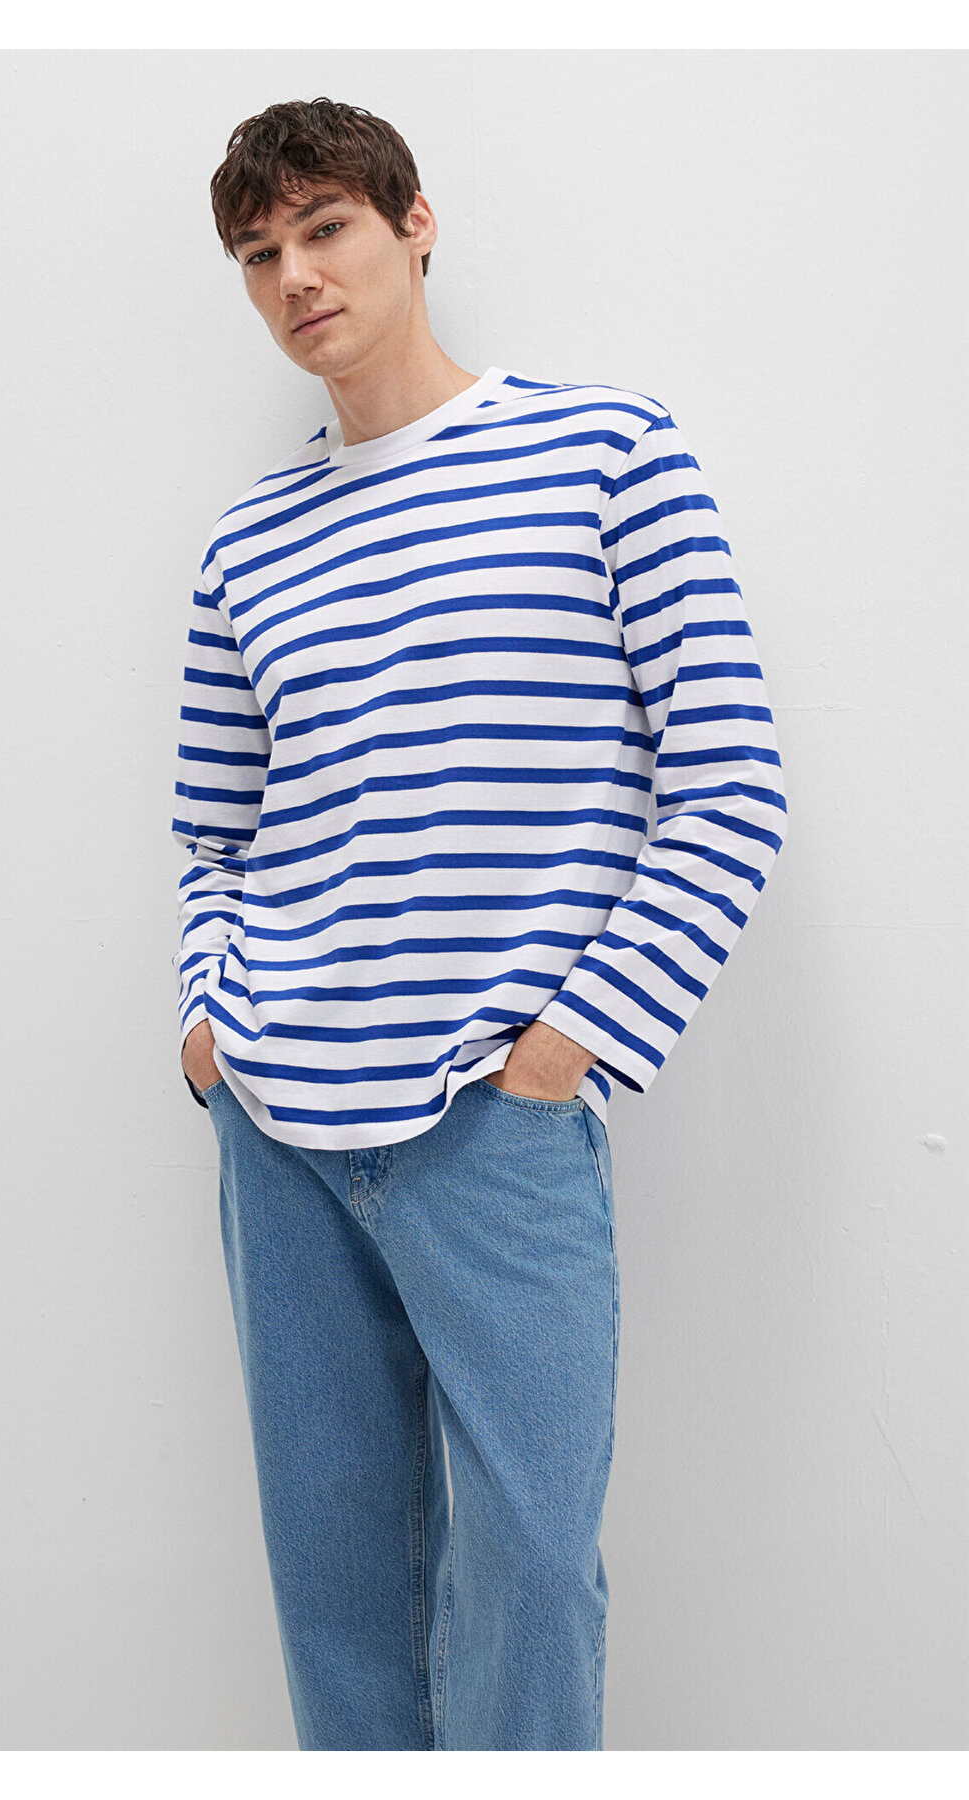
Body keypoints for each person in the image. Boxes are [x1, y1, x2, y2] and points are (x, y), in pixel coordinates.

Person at [170, 96, 788, 1752]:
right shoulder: (248, 541)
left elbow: (731, 785)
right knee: (336, 1587)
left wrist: (566, 1047)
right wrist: (210, 1022)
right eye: (260, 255)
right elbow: (212, 832)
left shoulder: (608, 452)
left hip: (493, 1118)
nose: (297, 278)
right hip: (281, 1127)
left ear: (414, 223)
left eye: (325, 230)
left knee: (529, 1570)